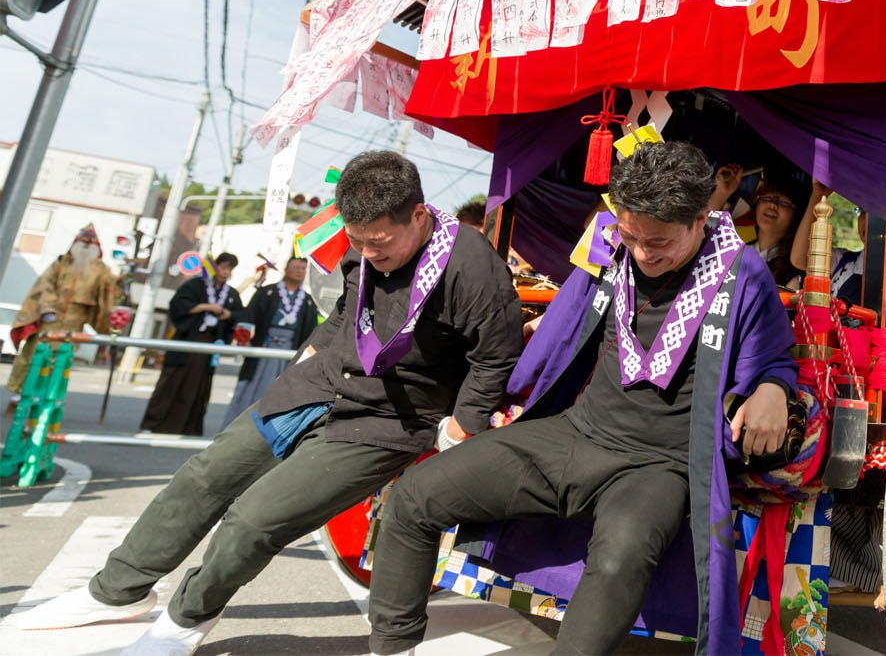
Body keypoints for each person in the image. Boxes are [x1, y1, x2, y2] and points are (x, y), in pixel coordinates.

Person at [16, 150, 523, 656]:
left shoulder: (473, 268)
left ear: (418, 215)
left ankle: (183, 622)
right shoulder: (363, 246)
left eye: (380, 242)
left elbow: (496, 357)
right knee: (204, 475)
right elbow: (347, 305)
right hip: (317, 387)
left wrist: (460, 426)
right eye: (357, 240)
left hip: (387, 417)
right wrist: (313, 353)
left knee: (254, 519)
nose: (368, 252)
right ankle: (115, 591)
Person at [364, 140, 797, 656]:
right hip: (577, 433)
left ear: (702, 218)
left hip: (661, 463)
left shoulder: (743, 272)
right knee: (415, 496)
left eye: (658, 242)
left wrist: (773, 387)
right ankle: (391, 647)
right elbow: (565, 319)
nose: (641, 253)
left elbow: (774, 357)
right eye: (632, 236)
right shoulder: (611, 245)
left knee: (618, 562)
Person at [7, 223, 119, 406]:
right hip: (49, 320)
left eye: (90, 243)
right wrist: (47, 309)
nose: (85, 246)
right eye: (83, 242)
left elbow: (106, 295)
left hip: (74, 323)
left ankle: (50, 394)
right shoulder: (60, 264)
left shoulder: (102, 271)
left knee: (60, 360)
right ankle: (24, 391)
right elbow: (44, 286)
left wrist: (119, 286)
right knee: (35, 356)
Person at [789, 181, 886, 322]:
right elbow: (800, 258)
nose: (867, 221)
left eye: (876, 214)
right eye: (863, 212)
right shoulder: (844, 259)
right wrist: (818, 197)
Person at [139, 252, 244, 436]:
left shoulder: (232, 294)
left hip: (211, 344)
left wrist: (228, 314)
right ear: (215, 266)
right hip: (189, 338)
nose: (225, 272)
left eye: (230, 269)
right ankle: (154, 424)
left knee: (198, 387)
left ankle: (189, 428)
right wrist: (205, 307)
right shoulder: (195, 285)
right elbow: (178, 305)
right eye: (223, 267)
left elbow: (239, 315)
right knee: (172, 382)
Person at [219, 256, 319, 431]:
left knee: (282, 393)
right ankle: (235, 429)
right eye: (295, 267)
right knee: (249, 389)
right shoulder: (267, 292)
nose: (299, 271)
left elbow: (311, 332)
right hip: (263, 349)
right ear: (286, 269)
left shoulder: (308, 300)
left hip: (289, 354)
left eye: (303, 269)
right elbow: (247, 317)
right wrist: (245, 341)